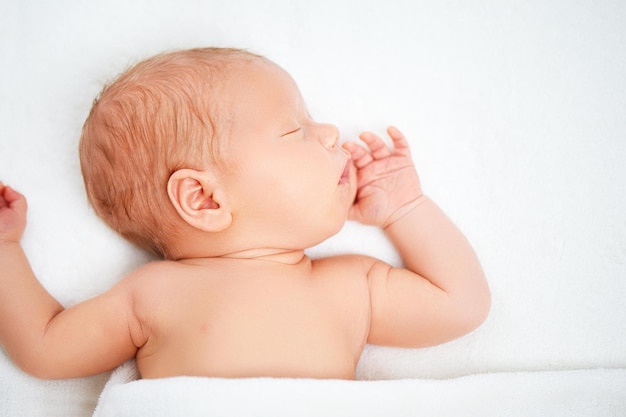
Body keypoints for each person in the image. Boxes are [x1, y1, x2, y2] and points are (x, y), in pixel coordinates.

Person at [0, 47, 490, 380]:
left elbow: (461, 305)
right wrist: (4, 248)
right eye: (293, 130)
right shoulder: (152, 293)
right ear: (205, 199)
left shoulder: (350, 286)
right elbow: (44, 347)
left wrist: (405, 208)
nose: (329, 131)